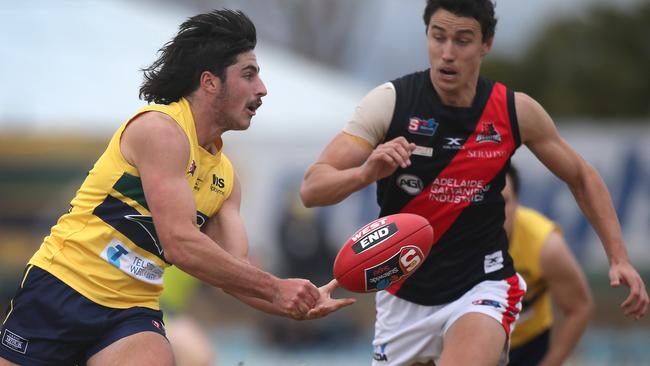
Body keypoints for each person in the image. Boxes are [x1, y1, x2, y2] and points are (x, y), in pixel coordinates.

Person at [300, 0, 648, 365]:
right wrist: (365, 173)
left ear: (487, 43)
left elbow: (581, 176)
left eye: (463, 40)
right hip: (402, 295)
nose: (447, 53)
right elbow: (311, 188)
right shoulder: (390, 103)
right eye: (438, 37)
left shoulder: (514, 111)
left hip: (482, 285)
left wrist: (618, 257)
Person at [0, 9, 354, 366]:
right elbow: (180, 242)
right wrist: (277, 290)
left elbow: (235, 271)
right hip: (62, 290)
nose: (262, 89)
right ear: (210, 81)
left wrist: (297, 304)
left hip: (130, 313)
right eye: (249, 75)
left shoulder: (226, 180)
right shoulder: (160, 130)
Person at [503, 165, 594, 366]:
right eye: (486, 201)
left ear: (517, 202)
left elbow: (579, 308)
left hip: (527, 345)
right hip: (470, 339)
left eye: (504, 201)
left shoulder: (545, 246)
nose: (495, 211)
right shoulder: (453, 241)